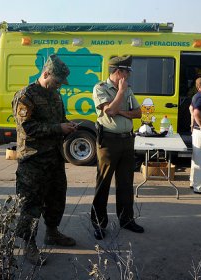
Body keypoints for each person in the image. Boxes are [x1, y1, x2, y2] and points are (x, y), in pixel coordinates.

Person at [12, 54, 77, 265]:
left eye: (60, 84)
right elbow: (27, 128)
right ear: (46, 74)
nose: (58, 86)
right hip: (33, 161)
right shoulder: (26, 96)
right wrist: (58, 128)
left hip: (55, 159)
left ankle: (52, 232)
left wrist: (68, 126)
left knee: (57, 199)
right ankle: (29, 245)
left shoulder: (56, 96)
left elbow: (60, 120)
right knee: (31, 205)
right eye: (56, 82)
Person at [91, 55, 144, 240]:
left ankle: (126, 220)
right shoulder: (101, 88)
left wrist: (121, 111)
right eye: (127, 71)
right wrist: (120, 93)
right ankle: (99, 223)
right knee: (103, 183)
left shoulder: (128, 89)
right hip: (109, 142)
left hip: (127, 140)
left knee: (125, 184)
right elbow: (110, 111)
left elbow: (138, 113)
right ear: (118, 72)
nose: (129, 75)